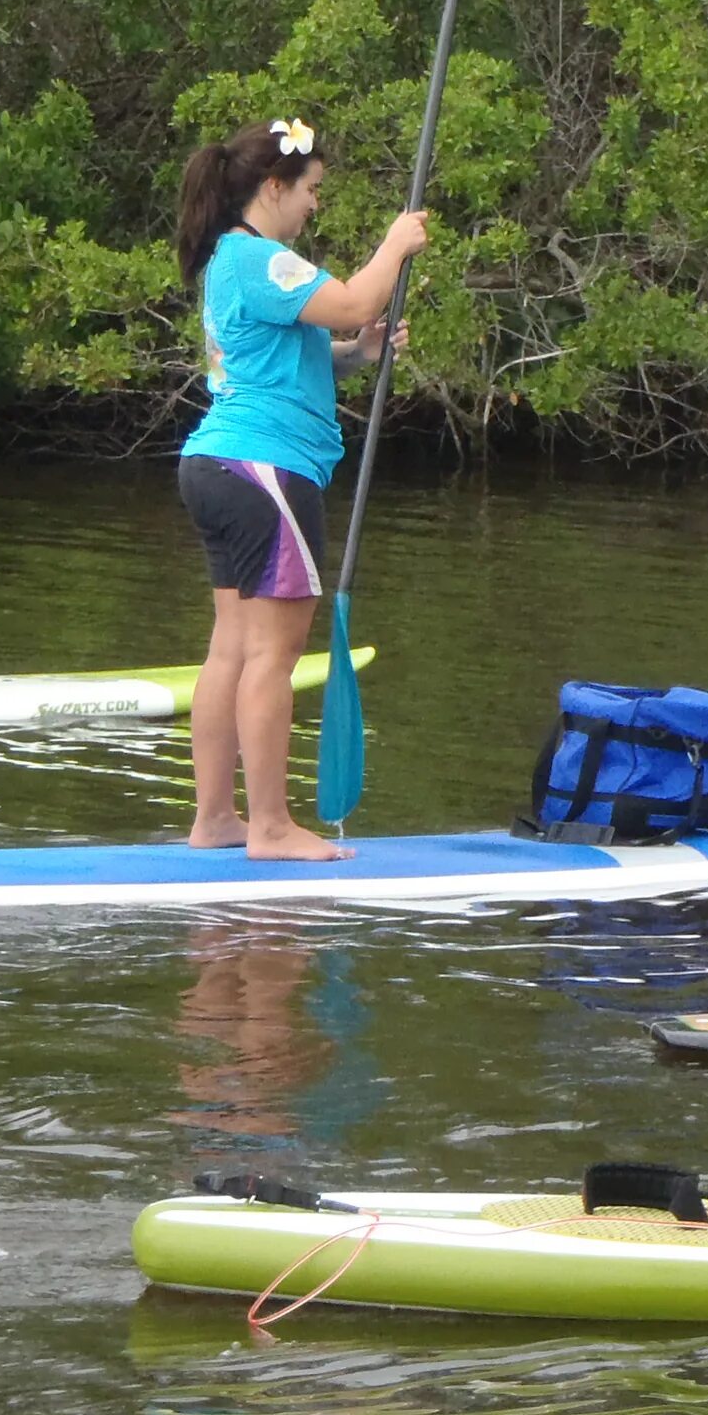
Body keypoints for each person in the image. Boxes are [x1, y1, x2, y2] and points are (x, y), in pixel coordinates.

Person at [173, 118, 424, 860]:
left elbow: (293, 354)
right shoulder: (261, 259)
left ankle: (217, 818)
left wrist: (358, 354)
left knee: (231, 652)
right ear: (273, 187)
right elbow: (350, 299)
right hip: (265, 472)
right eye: (312, 189)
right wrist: (395, 245)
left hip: (217, 467)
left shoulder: (229, 263)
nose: (316, 203)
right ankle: (272, 828)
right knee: (272, 658)